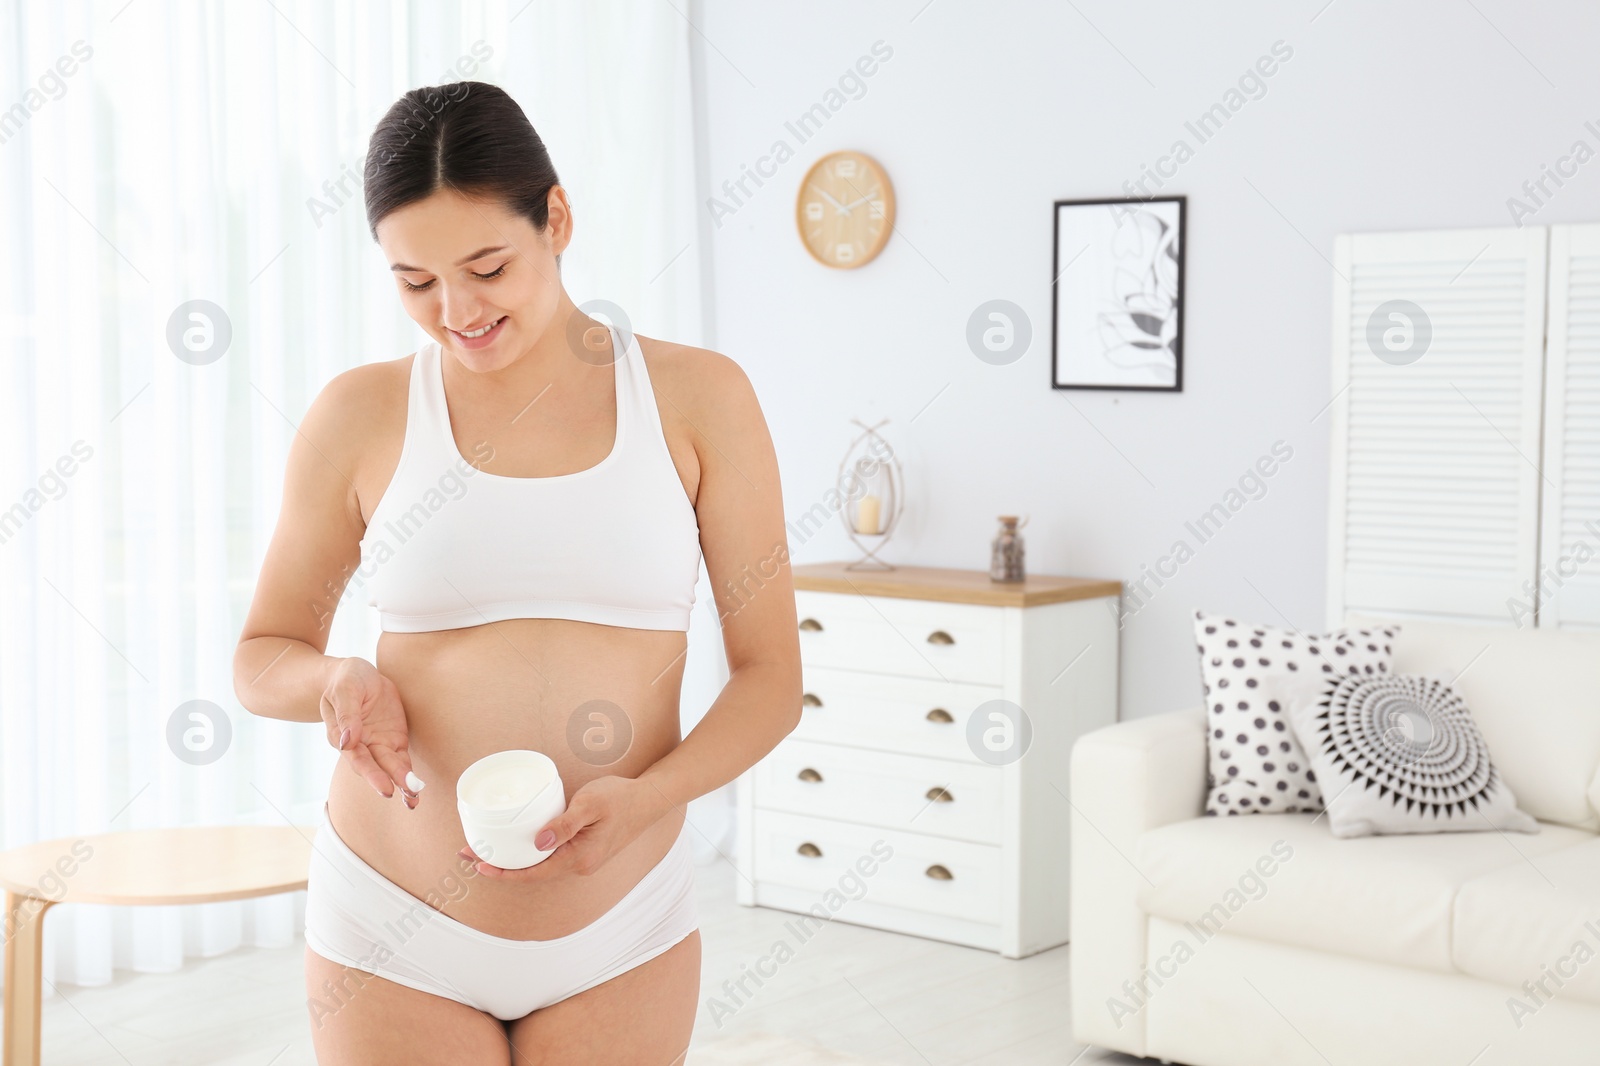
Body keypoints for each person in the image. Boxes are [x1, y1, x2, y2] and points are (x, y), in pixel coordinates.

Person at [232, 80, 801, 1065]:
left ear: (558, 218)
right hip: (393, 925)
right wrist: (333, 679)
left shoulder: (701, 398)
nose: (456, 311)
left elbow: (772, 681)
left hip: (621, 927)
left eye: (486, 266)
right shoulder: (358, 416)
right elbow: (260, 655)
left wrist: (650, 802)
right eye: (414, 282)